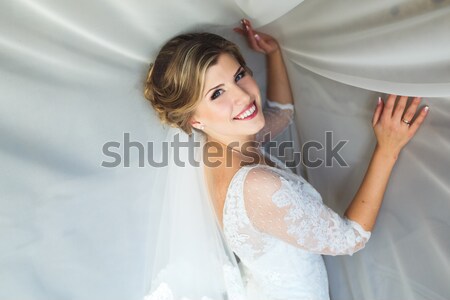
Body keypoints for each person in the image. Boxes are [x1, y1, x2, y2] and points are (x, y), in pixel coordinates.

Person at [143, 19, 429, 300]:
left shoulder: (218, 145)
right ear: (194, 119)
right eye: (217, 93)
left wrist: (275, 54)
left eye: (239, 75)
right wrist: (388, 149)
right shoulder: (258, 186)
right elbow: (350, 238)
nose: (243, 97)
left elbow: (280, 115)